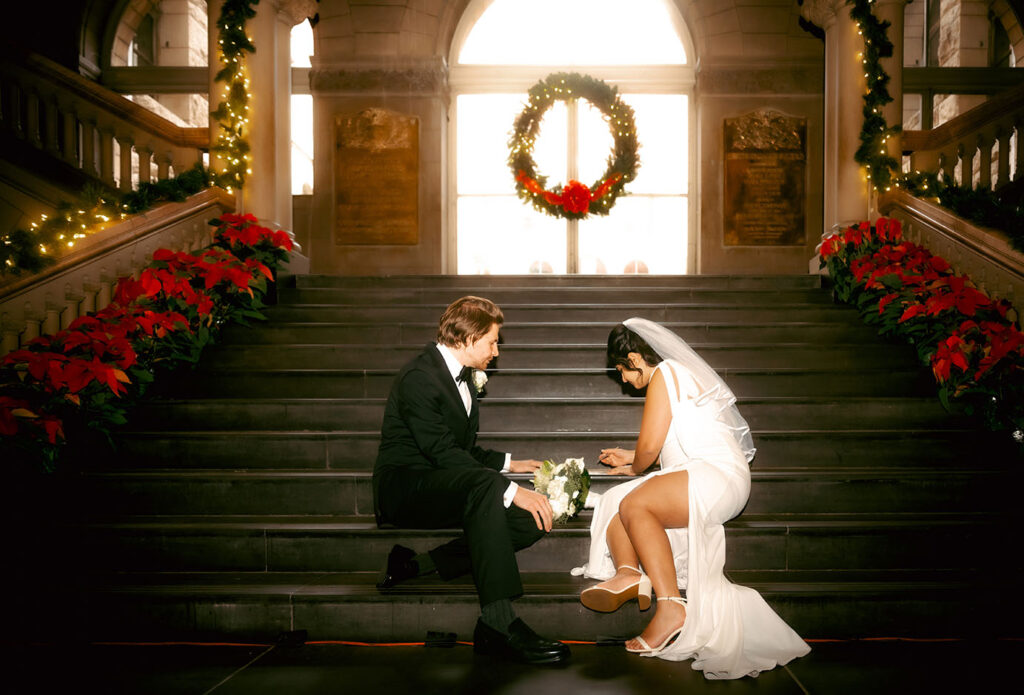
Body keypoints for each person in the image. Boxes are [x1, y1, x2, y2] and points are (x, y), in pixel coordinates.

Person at [575, 318, 809, 679]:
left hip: (717, 475)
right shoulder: (674, 375)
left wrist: (637, 464)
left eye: (621, 369)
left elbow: (650, 449)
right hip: (699, 472)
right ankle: (627, 574)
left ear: (635, 358)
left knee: (636, 503)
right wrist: (629, 459)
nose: (622, 379)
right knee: (617, 501)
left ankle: (671, 607)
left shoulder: (666, 374)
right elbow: (664, 445)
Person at [373, 295, 570, 665]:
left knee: (530, 521)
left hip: (443, 482)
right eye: (492, 341)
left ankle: (418, 565)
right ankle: (498, 623)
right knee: (488, 490)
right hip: (404, 487)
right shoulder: (420, 377)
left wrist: (510, 463)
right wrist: (510, 489)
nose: (497, 351)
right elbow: (442, 454)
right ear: (466, 339)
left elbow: (461, 449)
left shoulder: (461, 377)